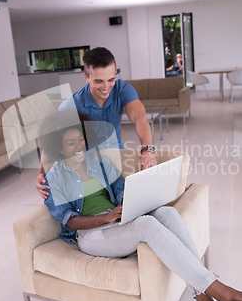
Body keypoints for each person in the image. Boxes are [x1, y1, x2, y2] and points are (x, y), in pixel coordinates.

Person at [38, 110, 242, 301]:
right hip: (92, 235)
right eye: (71, 143)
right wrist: (106, 217)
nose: (80, 145)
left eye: (81, 138)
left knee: (167, 214)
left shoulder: (99, 161)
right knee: (147, 225)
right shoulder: (53, 178)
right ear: (58, 148)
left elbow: (121, 189)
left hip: (118, 220)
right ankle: (223, 292)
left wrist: (129, 203)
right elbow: (69, 221)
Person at [36, 47, 157, 199]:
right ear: (86, 77)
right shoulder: (72, 105)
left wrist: (147, 150)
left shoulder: (123, 89)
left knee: (137, 197)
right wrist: (41, 172)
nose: (106, 88)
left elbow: (139, 117)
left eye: (111, 80)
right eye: (99, 81)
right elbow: (52, 140)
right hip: (88, 166)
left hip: (117, 159)